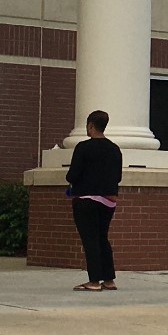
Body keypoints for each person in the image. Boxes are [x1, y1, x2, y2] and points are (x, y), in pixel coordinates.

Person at [67, 109, 121, 291]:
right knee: (102, 238)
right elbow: (118, 177)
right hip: (109, 200)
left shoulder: (83, 147)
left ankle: (94, 281)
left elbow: (72, 175)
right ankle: (109, 279)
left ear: (90, 126)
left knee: (90, 240)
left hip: (86, 199)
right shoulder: (115, 149)